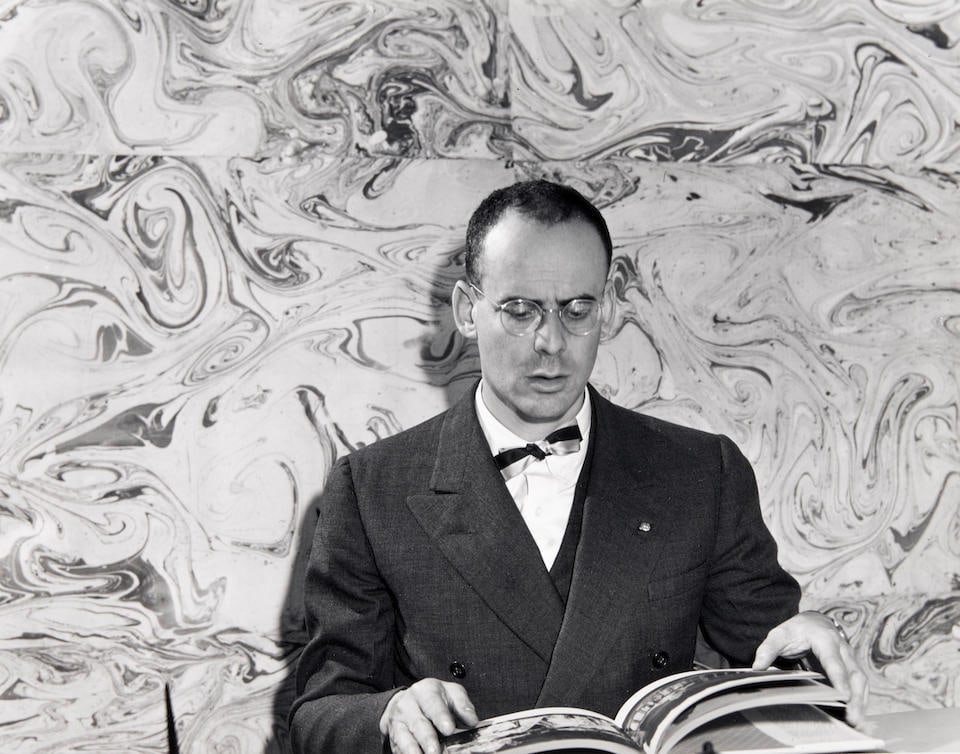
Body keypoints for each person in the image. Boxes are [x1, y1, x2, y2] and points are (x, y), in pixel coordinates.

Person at [288, 180, 868, 754]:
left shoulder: (702, 472)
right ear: (468, 310)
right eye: (519, 310)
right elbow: (317, 713)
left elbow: (773, 653)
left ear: (609, 307)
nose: (551, 341)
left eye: (577, 309)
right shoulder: (371, 490)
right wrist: (388, 713)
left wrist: (809, 648)